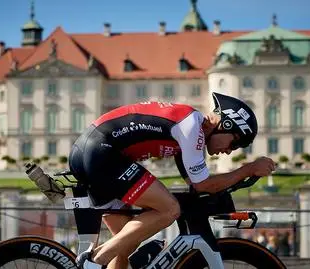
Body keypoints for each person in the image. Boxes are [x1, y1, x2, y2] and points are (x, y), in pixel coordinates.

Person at [63, 92, 275, 269]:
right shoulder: (192, 127)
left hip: (92, 152)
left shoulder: (191, 133)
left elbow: (196, 185)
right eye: (234, 144)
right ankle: (93, 261)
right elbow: (204, 185)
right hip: (102, 153)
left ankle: (97, 262)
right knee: (170, 210)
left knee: (125, 243)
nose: (228, 152)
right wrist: (249, 169)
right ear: (225, 124)